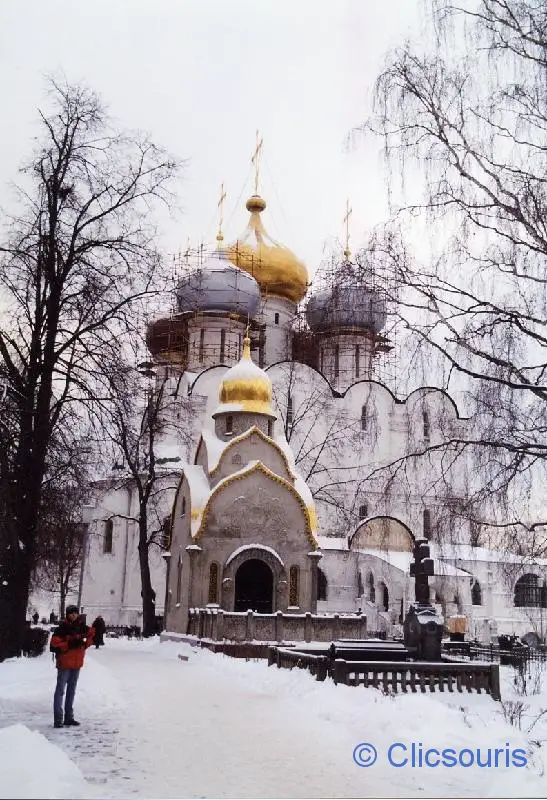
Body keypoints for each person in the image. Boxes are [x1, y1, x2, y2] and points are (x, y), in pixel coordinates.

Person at [50, 606, 95, 729]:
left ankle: (69, 717)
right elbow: (54, 645)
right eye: (71, 613)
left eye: (75, 613)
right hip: (65, 663)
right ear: (67, 615)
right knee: (60, 691)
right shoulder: (62, 628)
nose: (74, 615)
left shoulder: (81, 627)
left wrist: (85, 644)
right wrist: (69, 644)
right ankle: (58, 719)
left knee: (71, 691)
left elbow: (92, 632)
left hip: (77, 663)